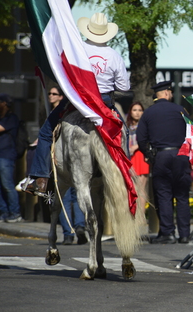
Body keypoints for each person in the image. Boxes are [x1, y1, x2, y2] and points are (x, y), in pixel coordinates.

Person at [21, 12, 130, 196]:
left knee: (46, 132)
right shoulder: (114, 56)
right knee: (124, 132)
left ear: (88, 30)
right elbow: (124, 87)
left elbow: (64, 74)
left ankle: (39, 179)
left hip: (77, 101)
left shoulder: (76, 50)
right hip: (103, 103)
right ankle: (126, 175)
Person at [137, 81, 191, 244]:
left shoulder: (148, 113)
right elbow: (192, 132)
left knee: (164, 194)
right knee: (182, 196)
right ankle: (184, 234)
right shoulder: (180, 110)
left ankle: (167, 232)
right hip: (181, 155)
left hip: (161, 156)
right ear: (167, 93)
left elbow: (141, 139)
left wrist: (148, 154)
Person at [46, 86, 87, 244]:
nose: (50, 95)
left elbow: (48, 136)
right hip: (75, 156)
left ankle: (71, 230)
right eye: (49, 93)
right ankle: (77, 227)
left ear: (61, 97)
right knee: (75, 194)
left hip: (60, 157)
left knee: (64, 196)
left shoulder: (58, 113)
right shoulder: (77, 112)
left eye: (54, 94)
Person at [0, 93, 22, 223]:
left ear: (5, 104)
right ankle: (3, 212)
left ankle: (15, 212)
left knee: (7, 185)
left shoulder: (11, 118)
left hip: (5, 156)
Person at [126, 102, 150, 216]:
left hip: (141, 156)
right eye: (135, 110)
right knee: (131, 188)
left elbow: (149, 140)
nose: (137, 112)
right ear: (130, 111)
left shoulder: (146, 125)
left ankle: (141, 216)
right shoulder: (126, 125)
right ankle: (131, 214)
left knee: (141, 188)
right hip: (129, 157)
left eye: (140, 110)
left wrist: (137, 146)